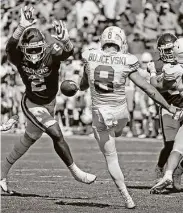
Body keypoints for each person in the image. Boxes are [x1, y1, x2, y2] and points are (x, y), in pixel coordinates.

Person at [79, 26, 178, 208]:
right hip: (121, 114)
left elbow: (82, 86)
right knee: (118, 130)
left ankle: (127, 198)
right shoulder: (127, 60)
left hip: (100, 114)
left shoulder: (90, 56)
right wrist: (168, 106)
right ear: (121, 42)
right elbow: (147, 88)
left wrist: (81, 78)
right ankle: (118, 130)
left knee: (111, 157)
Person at [0, 6, 96, 194]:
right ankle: (75, 172)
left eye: (37, 49)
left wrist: (66, 40)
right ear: (24, 49)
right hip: (32, 103)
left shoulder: (51, 53)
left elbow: (68, 53)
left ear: (43, 46)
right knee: (56, 133)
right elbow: (10, 47)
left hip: (49, 102)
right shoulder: (19, 57)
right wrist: (21, 27)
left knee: (29, 139)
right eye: (30, 50)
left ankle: (1, 174)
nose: (34, 55)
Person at [149, 37, 183, 194]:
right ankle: (161, 167)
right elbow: (156, 88)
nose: (170, 53)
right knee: (170, 144)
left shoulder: (177, 65)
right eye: (167, 49)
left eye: (172, 49)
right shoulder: (158, 65)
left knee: (179, 146)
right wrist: (153, 73)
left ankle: (177, 172)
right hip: (170, 108)